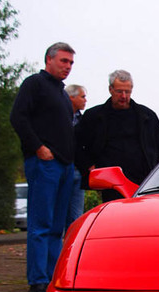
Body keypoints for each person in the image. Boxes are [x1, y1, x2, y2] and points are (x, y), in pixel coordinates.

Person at [9, 42, 76, 292]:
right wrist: (38, 147)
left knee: (57, 226)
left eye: (70, 63)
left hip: (64, 165)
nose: (67, 67)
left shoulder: (60, 93)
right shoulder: (34, 84)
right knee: (41, 223)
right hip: (44, 163)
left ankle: (52, 276)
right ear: (49, 60)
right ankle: (37, 279)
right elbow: (18, 117)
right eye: (63, 61)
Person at [76, 70, 159, 202]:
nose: (124, 96)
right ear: (110, 89)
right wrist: (89, 167)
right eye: (119, 91)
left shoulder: (148, 117)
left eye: (127, 92)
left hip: (144, 182)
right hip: (110, 183)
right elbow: (77, 145)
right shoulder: (94, 117)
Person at [65, 84, 87, 230]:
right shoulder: (60, 118)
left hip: (78, 169)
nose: (85, 100)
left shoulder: (84, 120)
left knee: (76, 215)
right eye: (82, 97)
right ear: (71, 98)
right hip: (63, 167)